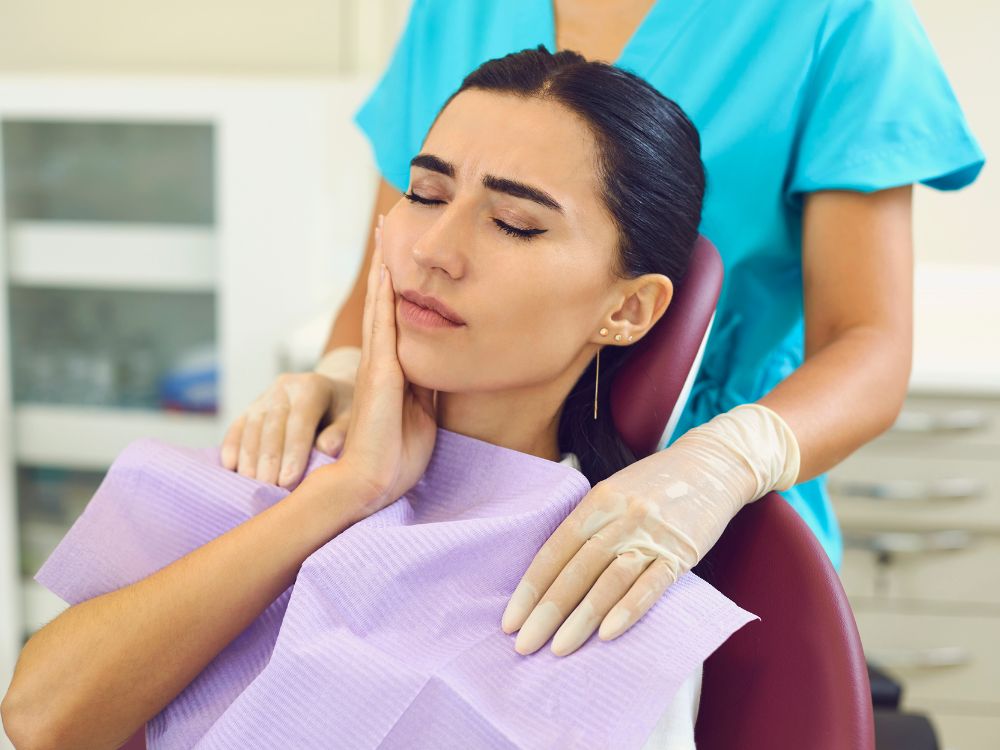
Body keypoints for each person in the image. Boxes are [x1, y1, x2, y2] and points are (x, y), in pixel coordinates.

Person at [2, 49, 766, 749]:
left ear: (627, 310)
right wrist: (343, 493)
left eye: (513, 224)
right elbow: (43, 719)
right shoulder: (285, 455)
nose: (432, 250)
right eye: (426, 194)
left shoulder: (611, 597)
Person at [221, 0, 986, 654]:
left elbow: (868, 342)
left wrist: (718, 466)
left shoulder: (836, 21)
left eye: (517, 225)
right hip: (432, 479)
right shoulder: (453, 10)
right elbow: (387, 272)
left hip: (700, 524)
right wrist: (344, 377)